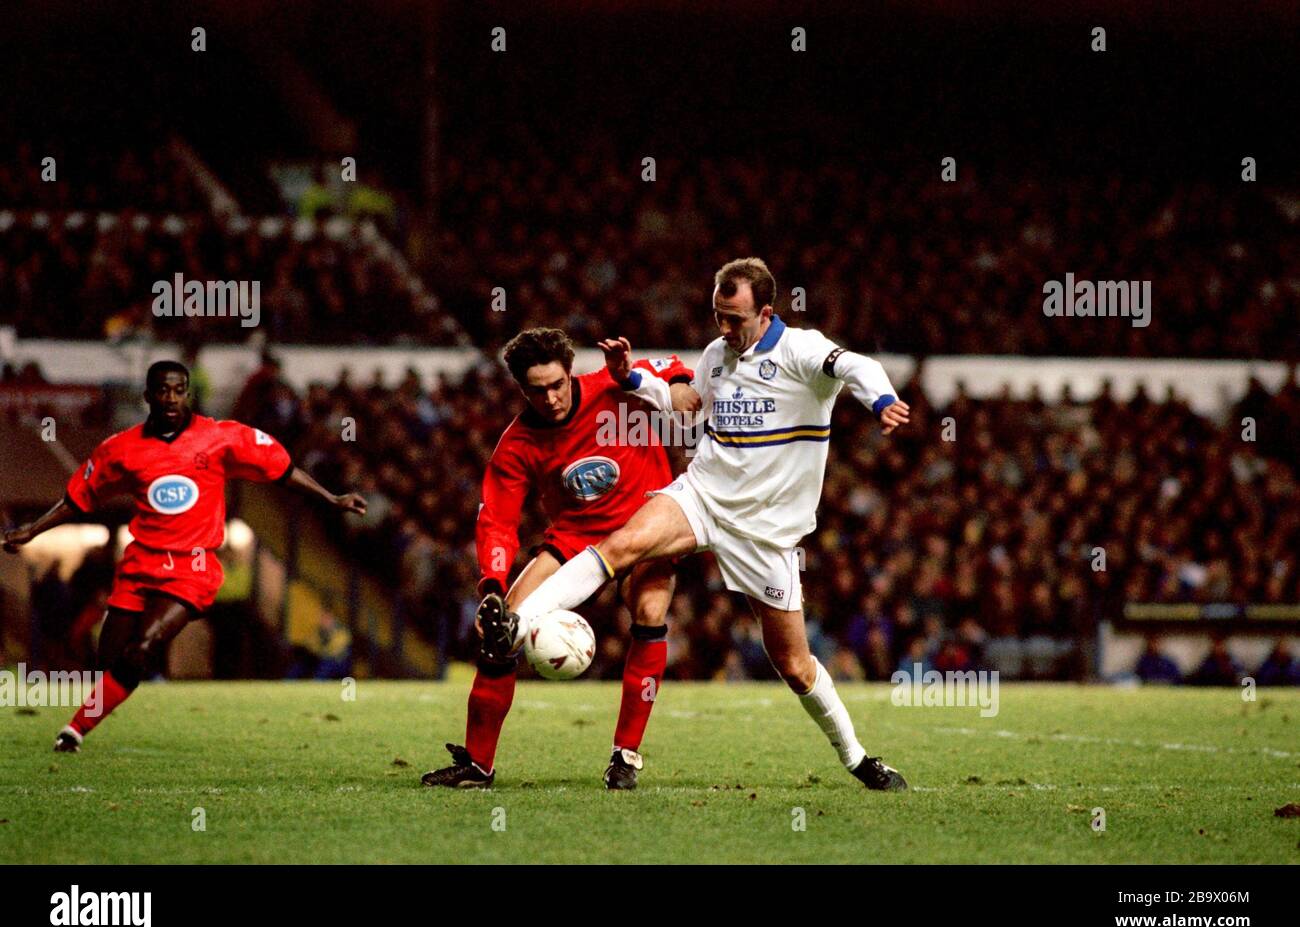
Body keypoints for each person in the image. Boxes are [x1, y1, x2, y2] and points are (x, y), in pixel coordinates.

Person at [478, 257, 913, 791]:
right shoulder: (716, 355)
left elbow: (858, 367)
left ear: (767, 312)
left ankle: (857, 758)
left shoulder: (801, 351)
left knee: (795, 665)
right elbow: (682, 401)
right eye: (717, 316)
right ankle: (519, 626)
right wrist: (631, 379)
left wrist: (883, 400)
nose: (723, 330)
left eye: (734, 319)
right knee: (620, 546)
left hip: (767, 533)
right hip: (702, 496)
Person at [1, 360, 366, 752]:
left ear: (188, 393)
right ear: (148, 396)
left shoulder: (221, 437)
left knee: (143, 648)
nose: (171, 398)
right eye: (162, 390)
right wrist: (33, 529)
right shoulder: (121, 449)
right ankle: (121, 684)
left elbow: (280, 469)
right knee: (108, 659)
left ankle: (73, 731)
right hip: (141, 565)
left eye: (178, 390)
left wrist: (331, 498)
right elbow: (79, 499)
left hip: (192, 568)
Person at [422, 328, 698, 790]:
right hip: (576, 538)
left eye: (557, 385)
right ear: (520, 389)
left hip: (647, 524)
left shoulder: (612, 384)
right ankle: (478, 765)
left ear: (571, 373)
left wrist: (677, 383)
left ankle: (625, 756)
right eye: (537, 390)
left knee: (650, 613)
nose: (550, 398)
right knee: (500, 630)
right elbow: (497, 521)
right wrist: (491, 584)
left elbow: (669, 366)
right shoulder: (516, 445)